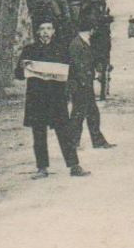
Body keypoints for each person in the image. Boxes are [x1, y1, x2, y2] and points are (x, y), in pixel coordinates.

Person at [16, 19, 87, 178]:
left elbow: (71, 73)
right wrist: (22, 68)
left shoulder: (61, 50)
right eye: (42, 28)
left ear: (54, 31)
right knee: (38, 134)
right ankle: (42, 168)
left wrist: (70, 88)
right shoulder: (29, 50)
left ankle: (74, 166)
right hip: (36, 98)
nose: (46, 32)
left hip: (56, 98)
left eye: (49, 28)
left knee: (64, 132)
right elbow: (19, 75)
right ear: (37, 32)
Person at [64, 15, 115, 152]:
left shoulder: (82, 42)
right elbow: (77, 65)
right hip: (80, 85)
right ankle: (74, 142)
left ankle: (94, 140)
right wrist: (85, 80)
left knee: (89, 113)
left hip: (85, 84)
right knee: (79, 113)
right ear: (90, 30)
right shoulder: (77, 44)